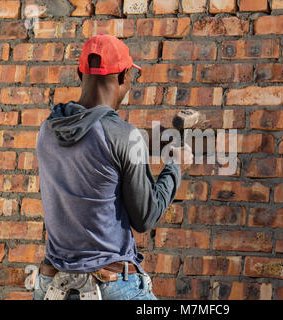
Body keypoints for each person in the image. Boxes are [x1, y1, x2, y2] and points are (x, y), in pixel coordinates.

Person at [33, 34, 192, 300]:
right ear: (124, 76)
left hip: (51, 285)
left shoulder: (48, 130)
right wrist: (176, 167)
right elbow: (146, 217)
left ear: (79, 73)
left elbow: (93, 152)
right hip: (110, 287)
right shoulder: (123, 135)